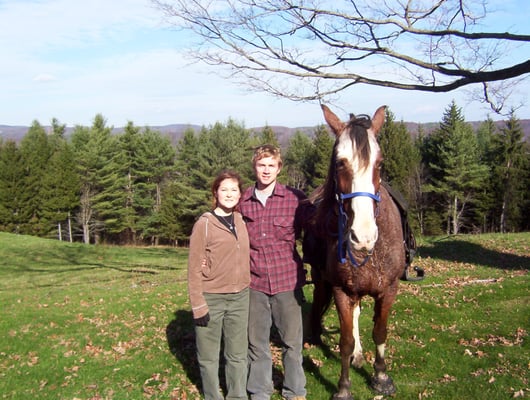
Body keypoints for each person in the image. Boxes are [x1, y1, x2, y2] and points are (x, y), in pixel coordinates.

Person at [240, 144, 311, 400]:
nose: (266, 170)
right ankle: (260, 390)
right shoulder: (243, 200)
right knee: (256, 342)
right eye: (261, 165)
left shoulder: (295, 199)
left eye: (271, 165)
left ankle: (295, 391)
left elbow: (314, 233)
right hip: (253, 283)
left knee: (292, 343)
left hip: (287, 282)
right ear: (254, 167)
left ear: (279, 168)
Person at [187, 170, 251, 400]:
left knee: (237, 354)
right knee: (208, 356)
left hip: (240, 296)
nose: (229, 194)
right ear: (215, 192)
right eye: (224, 189)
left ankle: (237, 395)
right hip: (211, 297)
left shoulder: (241, 220)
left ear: (240, 194)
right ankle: (213, 396)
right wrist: (198, 305)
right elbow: (193, 268)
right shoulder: (204, 224)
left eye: (234, 189)